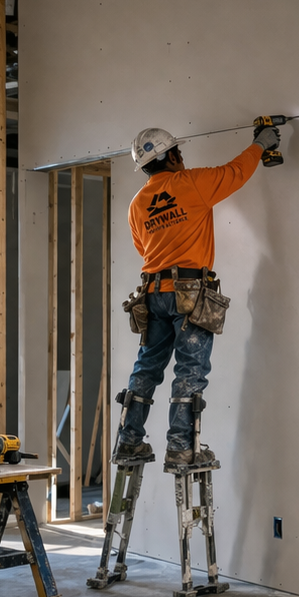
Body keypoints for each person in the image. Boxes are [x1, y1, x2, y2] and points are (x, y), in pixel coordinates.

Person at [111, 124, 280, 470]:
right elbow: (235, 173)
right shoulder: (191, 184)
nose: (182, 158)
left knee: (146, 368)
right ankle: (182, 448)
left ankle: (129, 441)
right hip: (188, 294)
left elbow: (143, 249)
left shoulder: (136, 205)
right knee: (190, 370)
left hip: (152, 294)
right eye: (179, 152)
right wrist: (261, 144)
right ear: (170, 156)